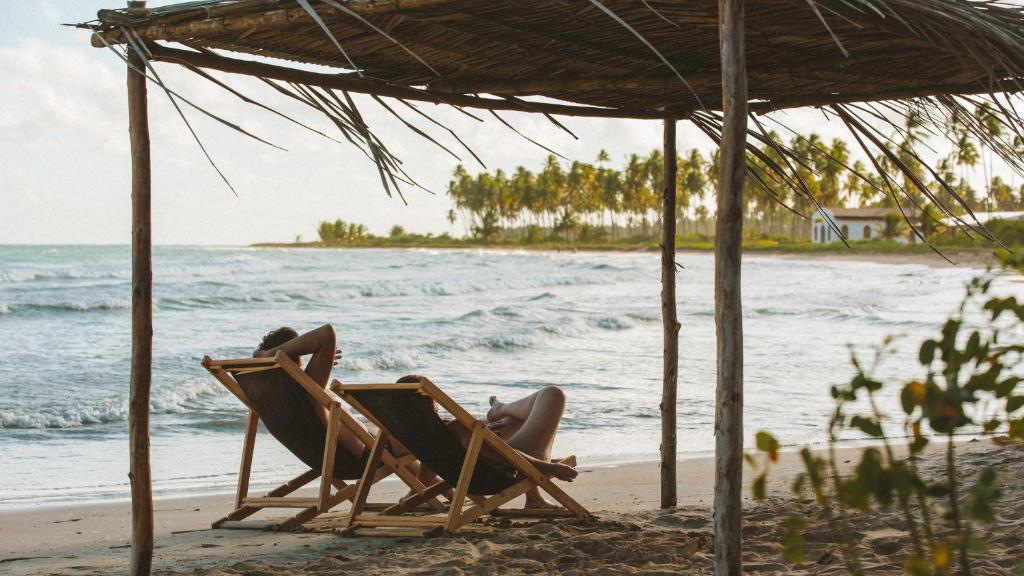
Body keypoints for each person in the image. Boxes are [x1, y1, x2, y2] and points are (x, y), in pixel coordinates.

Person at [252, 324, 368, 460]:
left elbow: (256, 355)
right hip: (371, 455)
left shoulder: (280, 400)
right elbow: (326, 333)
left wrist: (323, 362)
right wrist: (270, 354)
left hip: (338, 456)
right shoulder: (305, 392)